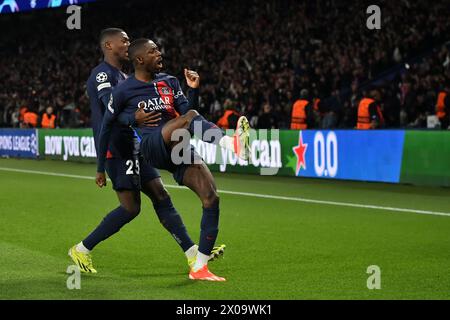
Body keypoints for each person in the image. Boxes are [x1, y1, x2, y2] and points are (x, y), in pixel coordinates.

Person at [69, 29, 224, 274]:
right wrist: (132, 118)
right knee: (131, 208)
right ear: (109, 45)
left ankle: (192, 253)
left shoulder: (128, 76)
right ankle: (82, 248)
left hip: (137, 144)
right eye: (124, 40)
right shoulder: (103, 75)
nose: (128, 43)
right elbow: (112, 113)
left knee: (161, 195)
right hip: (117, 148)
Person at [96, 38, 251, 281]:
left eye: (158, 49)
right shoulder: (124, 90)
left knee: (211, 197)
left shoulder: (169, 81)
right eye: (153, 51)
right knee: (188, 119)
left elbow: (190, 111)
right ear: (139, 59)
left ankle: (199, 268)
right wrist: (100, 168)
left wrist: (193, 89)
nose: (159, 53)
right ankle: (231, 143)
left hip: (177, 146)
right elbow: (107, 124)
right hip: (152, 146)